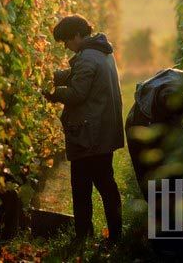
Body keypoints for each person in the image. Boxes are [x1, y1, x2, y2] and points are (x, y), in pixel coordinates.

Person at [42, 14, 124, 244]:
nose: (67, 47)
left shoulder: (87, 57)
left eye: (67, 42)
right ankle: (116, 235)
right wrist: (50, 76)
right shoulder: (100, 52)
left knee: (82, 188)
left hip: (90, 134)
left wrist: (51, 92)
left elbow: (78, 93)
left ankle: (83, 238)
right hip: (101, 130)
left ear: (77, 35)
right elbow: (77, 75)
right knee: (106, 184)